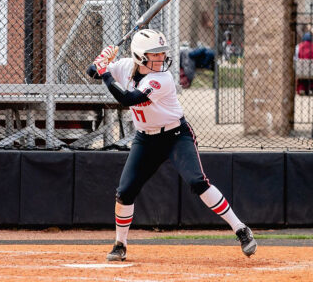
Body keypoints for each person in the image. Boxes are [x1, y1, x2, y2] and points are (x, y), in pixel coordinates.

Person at [86, 29, 257, 261]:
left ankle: (240, 229)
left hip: (176, 136)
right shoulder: (126, 66)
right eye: (154, 54)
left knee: (198, 182)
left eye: (161, 53)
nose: (160, 58)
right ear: (139, 56)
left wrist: (105, 72)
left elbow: (128, 99)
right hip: (145, 139)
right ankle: (120, 244)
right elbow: (92, 72)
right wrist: (100, 61)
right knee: (125, 192)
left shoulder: (162, 79)